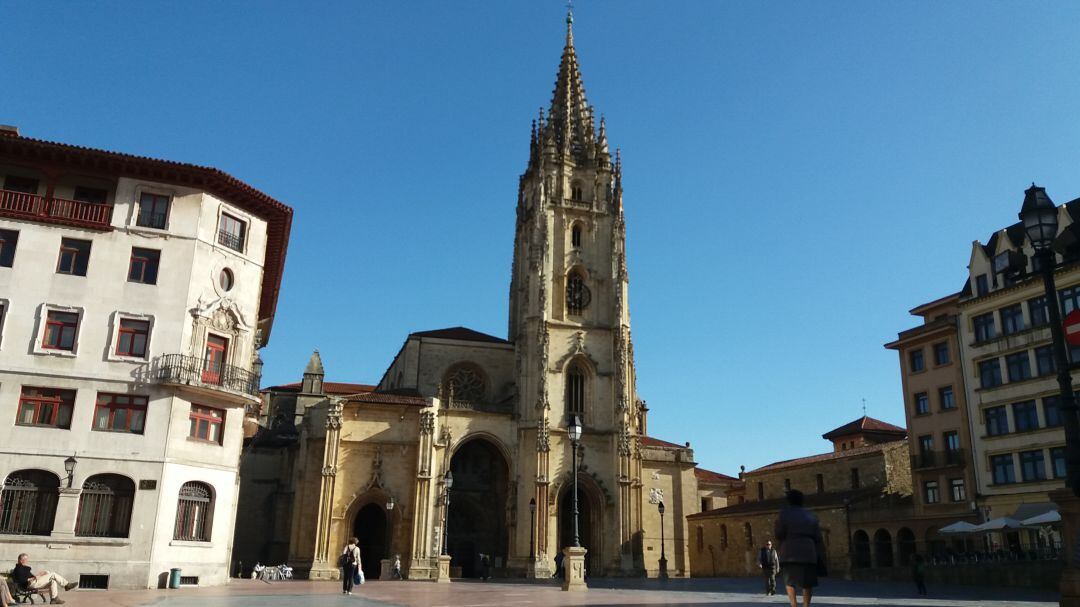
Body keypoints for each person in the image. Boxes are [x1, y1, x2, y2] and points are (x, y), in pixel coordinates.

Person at [774, 490, 824, 607]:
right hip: (808, 552)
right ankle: (806, 605)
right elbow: (818, 536)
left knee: (789, 581)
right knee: (807, 582)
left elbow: (779, 533)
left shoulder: (784, 514)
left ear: (789, 501)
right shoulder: (811, 516)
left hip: (789, 551)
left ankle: (794, 604)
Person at [12, 553, 77, 605]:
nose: (27, 561)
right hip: (30, 584)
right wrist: (33, 578)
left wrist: (39, 575)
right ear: (21, 560)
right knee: (53, 574)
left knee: (52, 581)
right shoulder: (18, 569)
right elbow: (22, 580)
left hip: (33, 582)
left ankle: (54, 599)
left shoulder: (22, 568)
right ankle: (67, 585)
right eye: (26, 559)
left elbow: (29, 577)